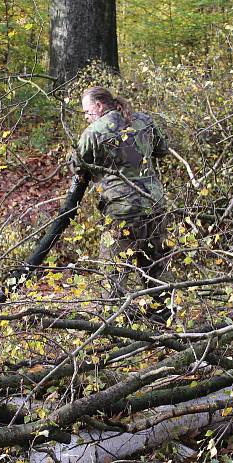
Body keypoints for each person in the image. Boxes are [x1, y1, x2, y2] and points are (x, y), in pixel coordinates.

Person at [75, 86, 172, 314]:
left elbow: (78, 166)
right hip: (155, 205)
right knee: (156, 266)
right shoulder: (144, 121)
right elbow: (163, 149)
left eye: (87, 112)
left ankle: (114, 326)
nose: (87, 117)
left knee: (113, 272)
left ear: (99, 106)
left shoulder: (94, 131)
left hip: (122, 210)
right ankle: (164, 322)